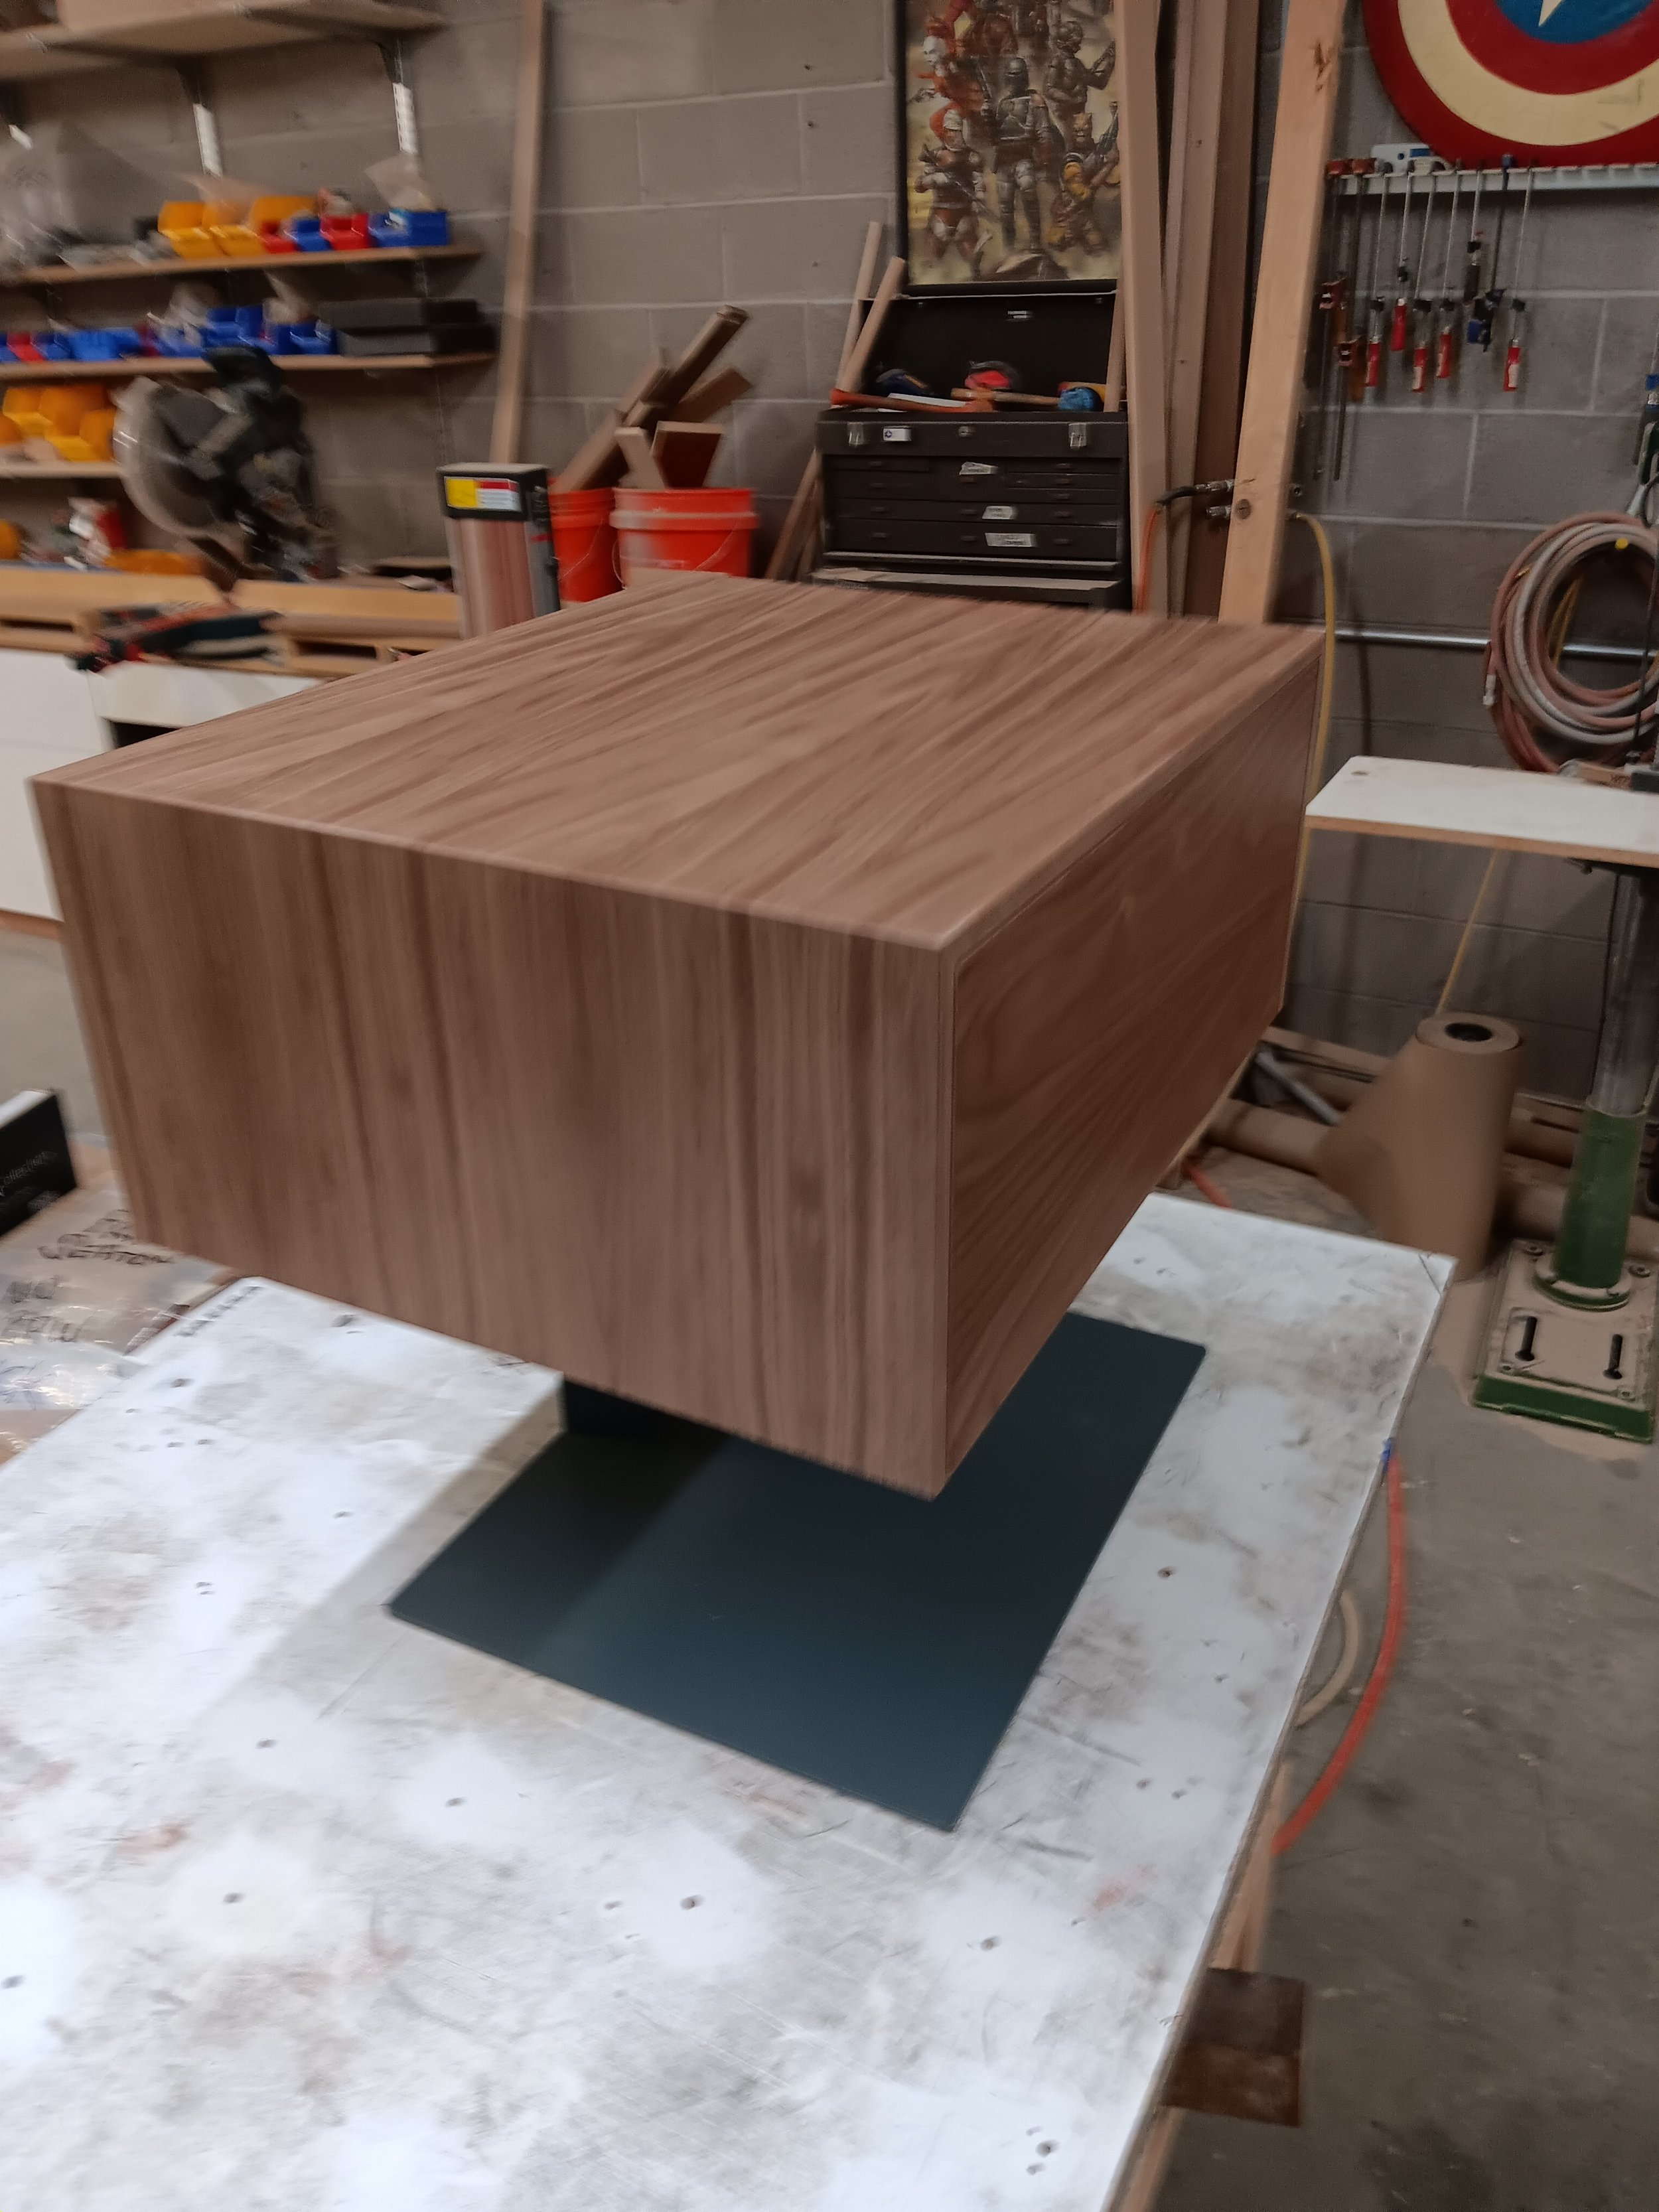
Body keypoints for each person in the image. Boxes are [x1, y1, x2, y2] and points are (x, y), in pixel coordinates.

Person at [916, 107, 987, 275]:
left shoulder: (972, 157)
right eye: (950, 131)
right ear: (945, 131)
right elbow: (919, 185)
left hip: (965, 214)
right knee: (931, 264)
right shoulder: (935, 155)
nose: (953, 135)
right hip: (941, 214)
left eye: (957, 131)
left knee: (974, 263)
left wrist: (980, 199)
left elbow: (979, 182)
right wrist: (935, 180)